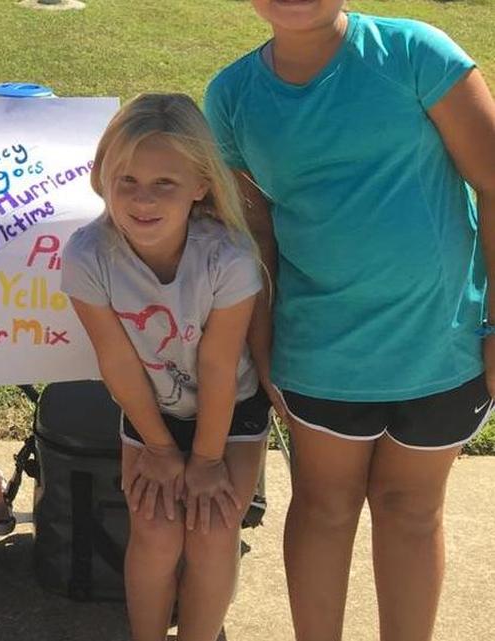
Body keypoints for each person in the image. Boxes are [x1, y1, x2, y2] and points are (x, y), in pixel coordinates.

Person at [204, 3, 495, 640]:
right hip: (320, 353)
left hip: (444, 345)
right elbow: (252, 230)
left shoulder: (417, 54)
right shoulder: (231, 97)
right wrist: (262, 340)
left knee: (411, 512)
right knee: (324, 507)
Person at [61, 93, 270, 641]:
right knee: (155, 532)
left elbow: (221, 365)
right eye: (125, 179)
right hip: (150, 410)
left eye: (164, 184)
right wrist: (158, 446)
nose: (141, 199)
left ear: (201, 185)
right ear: (102, 176)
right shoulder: (88, 256)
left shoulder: (229, 260)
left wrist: (203, 460)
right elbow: (117, 359)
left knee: (213, 529)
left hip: (230, 413)